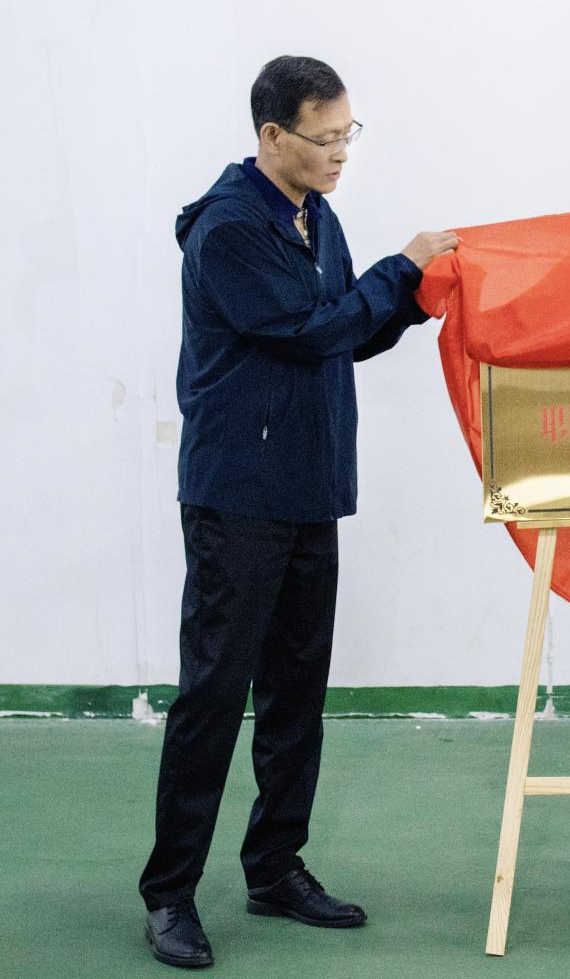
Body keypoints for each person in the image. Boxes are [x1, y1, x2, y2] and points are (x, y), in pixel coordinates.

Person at [139, 55, 457, 969]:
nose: (340, 152)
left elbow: (343, 334)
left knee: (295, 693)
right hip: (239, 495)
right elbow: (306, 329)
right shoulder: (229, 231)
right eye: (325, 138)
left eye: (348, 134)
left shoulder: (318, 216)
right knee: (213, 696)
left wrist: (416, 299)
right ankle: (169, 895)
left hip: (308, 487)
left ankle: (275, 867)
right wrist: (400, 270)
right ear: (273, 136)